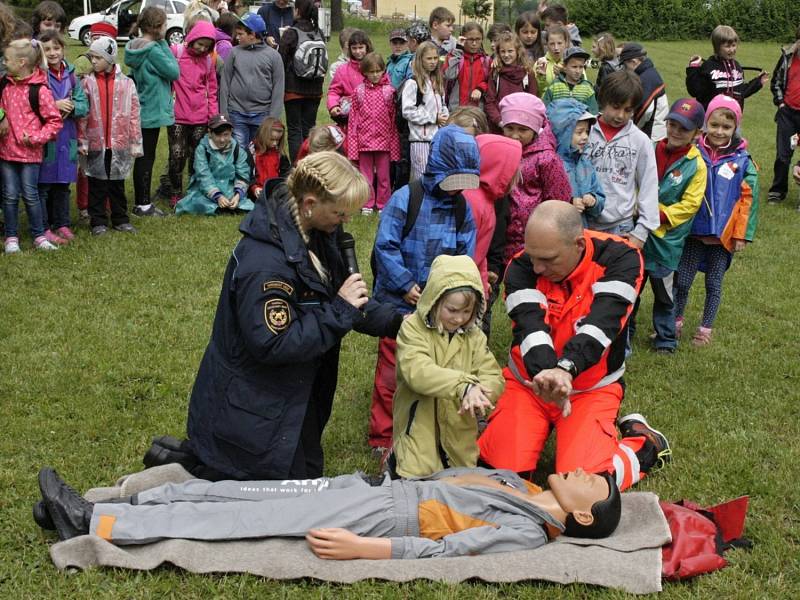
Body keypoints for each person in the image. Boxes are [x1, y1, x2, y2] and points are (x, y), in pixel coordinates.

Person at [180, 152, 403, 480]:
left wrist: (399, 322)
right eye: (340, 213)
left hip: (291, 405)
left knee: (306, 484)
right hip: (252, 421)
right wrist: (340, 308)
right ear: (310, 203)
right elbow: (274, 343)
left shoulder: (315, 236)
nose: (345, 222)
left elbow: (346, 302)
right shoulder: (264, 265)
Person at [477, 201, 672, 491]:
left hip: (590, 390)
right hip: (530, 385)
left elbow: (602, 324)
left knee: (585, 490)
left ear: (579, 244)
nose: (537, 267)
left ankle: (645, 445)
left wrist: (567, 369)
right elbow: (530, 328)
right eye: (533, 256)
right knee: (499, 485)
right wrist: (548, 376)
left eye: (548, 259)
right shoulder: (520, 265)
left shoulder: (622, 258)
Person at [37, 465, 622, 557]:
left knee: (245, 521)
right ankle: (119, 502)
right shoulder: (517, 484)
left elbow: (444, 550)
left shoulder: (527, 531)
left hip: (381, 518)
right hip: (372, 487)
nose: (580, 470)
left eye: (591, 483)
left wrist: (370, 548)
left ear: (583, 517)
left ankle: (96, 524)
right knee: (246, 494)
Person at [369, 126, 479, 456]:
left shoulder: (462, 209)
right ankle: (384, 436)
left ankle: (425, 428)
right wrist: (404, 285)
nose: (459, 188)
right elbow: (384, 246)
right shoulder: (406, 199)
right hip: (399, 303)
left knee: (434, 368)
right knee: (393, 372)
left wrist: (454, 292)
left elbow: (465, 254)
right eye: (454, 178)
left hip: (440, 308)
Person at [392, 255, 504, 478]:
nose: (459, 319)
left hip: (459, 432)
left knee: (461, 487)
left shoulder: (475, 337)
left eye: (466, 312)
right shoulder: (413, 329)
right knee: (417, 485)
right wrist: (463, 387)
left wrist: (481, 393)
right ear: (434, 300)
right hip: (419, 430)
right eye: (452, 310)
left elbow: (492, 374)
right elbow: (418, 371)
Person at [674, 95, 759, 347]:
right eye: (714, 125)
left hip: (723, 235)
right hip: (693, 231)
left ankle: (705, 328)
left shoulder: (742, 161)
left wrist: (742, 233)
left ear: (735, 129)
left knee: (714, 282)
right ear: (705, 125)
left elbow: (748, 199)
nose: (719, 132)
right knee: (683, 279)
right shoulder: (693, 152)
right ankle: (675, 320)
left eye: (726, 127)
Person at [632, 98, 707, 354]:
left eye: (683, 129)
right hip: (638, 233)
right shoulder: (650, 148)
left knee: (664, 294)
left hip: (667, 241)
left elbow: (690, 204)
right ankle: (624, 332)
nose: (675, 132)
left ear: (697, 134)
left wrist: (657, 214)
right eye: (672, 124)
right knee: (631, 286)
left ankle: (665, 339)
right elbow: (634, 179)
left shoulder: (696, 165)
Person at [1, 38, 63, 254]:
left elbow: (55, 121)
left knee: (30, 194)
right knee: (9, 195)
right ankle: (11, 237)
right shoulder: (5, 85)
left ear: (21, 62)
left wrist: (36, 137)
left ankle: (38, 235)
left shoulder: (40, 90)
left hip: (30, 155)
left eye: (6, 59)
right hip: (6, 153)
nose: (3, 62)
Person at [585, 70, 659, 250]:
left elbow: (649, 187)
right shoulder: (585, 132)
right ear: (603, 101)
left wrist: (641, 232)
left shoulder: (640, 141)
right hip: (583, 223)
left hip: (621, 228)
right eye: (616, 107)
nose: (620, 116)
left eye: (628, 110)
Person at [78, 36, 142, 236]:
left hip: (119, 142)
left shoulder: (127, 83)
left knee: (117, 183)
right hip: (96, 142)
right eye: (92, 57)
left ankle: (120, 218)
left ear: (110, 58)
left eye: (98, 57)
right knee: (96, 183)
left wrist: (135, 142)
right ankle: (97, 221)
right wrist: (82, 140)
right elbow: (82, 116)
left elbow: (134, 113)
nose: (94, 61)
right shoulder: (87, 82)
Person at [498, 92, 571, 262]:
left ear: (535, 129)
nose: (515, 135)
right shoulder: (501, 151)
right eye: (509, 128)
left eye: (523, 130)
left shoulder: (546, 159)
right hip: (505, 234)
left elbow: (558, 201)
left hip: (534, 236)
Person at [125, 7, 180, 217]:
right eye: (164, 24)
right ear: (157, 27)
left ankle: (142, 200)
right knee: (146, 158)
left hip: (142, 106)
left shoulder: (135, 46)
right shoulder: (154, 49)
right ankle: (143, 204)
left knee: (143, 156)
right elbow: (174, 72)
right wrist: (164, 41)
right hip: (152, 110)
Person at [157, 20, 218, 209]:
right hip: (177, 116)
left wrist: (213, 116)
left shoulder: (208, 61)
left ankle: (193, 190)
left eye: (207, 46)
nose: (202, 49)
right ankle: (175, 191)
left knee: (196, 156)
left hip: (200, 117)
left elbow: (212, 89)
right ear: (191, 38)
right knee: (177, 154)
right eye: (199, 44)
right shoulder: (176, 52)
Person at [37, 30, 89, 246]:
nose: (52, 53)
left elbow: (84, 105)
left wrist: (74, 106)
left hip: (67, 137)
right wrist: (54, 106)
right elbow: (32, 104)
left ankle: (63, 223)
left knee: (63, 184)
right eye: (47, 49)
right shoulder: (39, 75)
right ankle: (43, 226)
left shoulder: (72, 76)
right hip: (48, 139)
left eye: (56, 48)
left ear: (63, 49)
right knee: (44, 185)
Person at [463, 134, 522, 299]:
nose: (517, 175)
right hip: (459, 284)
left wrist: (481, 284)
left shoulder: (488, 201)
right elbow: (465, 253)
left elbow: (480, 255)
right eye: (512, 169)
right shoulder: (473, 201)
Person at [72, 21, 117, 222]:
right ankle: (84, 206)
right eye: (96, 38)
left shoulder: (114, 69)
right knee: (86, 170)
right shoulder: (84, 62)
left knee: (105, 169)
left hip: (107, 129)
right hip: (88, 126)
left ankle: (105, 204)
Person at [219, 13, 284, 149]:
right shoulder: (234, 53)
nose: (237, 37)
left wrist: (273, 118)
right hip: (236, 113)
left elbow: (278, 88)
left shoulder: (274, 56)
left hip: (262, 115)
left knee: (260, 151)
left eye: (240, 34)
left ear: (252, 35)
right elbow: (225, 82)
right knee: (239, 152)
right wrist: (224, 112)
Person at [346, 52, 400, 215]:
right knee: (365, 176)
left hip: (384, 142)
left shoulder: (389, 92)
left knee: (384, 176)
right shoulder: (358, 92)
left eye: (378, 71)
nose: (375, 75)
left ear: (384, 70)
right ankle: (367, 203)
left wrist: (394, 144)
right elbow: (353, 119)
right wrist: (354, 143)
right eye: (371, 71)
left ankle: (383, 203)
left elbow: (393, 121)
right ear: (365, 72)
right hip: (364, 141)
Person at [175, 114, 253, 215]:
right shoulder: (202, 149)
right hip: (205, 189)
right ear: (210, 132)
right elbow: (203, 175)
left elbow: (243, 174)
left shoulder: (237, 149)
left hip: (229, 187)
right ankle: (218, 207)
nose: (222, 139)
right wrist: (218, 196)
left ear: (231, 133)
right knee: (196, 202)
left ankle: (228, 205)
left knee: (246, 205)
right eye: (218, 135)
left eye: (226, 135)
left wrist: (237, 195)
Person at [277, 0, 326, 162]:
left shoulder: (291, 33)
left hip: (293, 90)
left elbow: (281, 61)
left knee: (294, 130)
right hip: (315, 90)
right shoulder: (318, 31)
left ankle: (297, 167)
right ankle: (310, 163)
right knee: (309, 130)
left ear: (297, 11)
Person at [546, 98, 605, 225]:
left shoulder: (585, 163)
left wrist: (594, 201)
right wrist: (570, 202)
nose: (585, 136)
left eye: (587, 131)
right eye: (579, 132)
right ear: (563, 133)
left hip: (580, 232)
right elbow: (544, 203)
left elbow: (599, 199)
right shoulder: (551, 164)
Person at [686, 25, 768, 111]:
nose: (732, 50)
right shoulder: (708, 67)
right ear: (717, 47)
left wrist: (758, 82)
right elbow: (695, 91)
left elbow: (741, 92)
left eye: (734, 45)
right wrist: (693, 68)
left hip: (732, 120)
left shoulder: (737, 67)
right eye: (728, 46)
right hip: (711, 119)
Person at [401, 41, 448, 181]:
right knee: (421, 179)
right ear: (420, 59)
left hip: (437, 139)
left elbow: (443, 105)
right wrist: (433, 118)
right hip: (420, 140)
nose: (433, 62)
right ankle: (419, 202)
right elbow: (407, 111)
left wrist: (445, 116)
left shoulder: (437, 82)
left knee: (437, 177)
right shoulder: (413, 83)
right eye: (429, 58)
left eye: (435, 58)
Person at [767, 25, 800, 204]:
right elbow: (776, 82)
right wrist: (780, 103)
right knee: (783, 155)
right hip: (787, 113)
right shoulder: (788, 57)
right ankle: (777, 191)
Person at [484, 32, 537, 131]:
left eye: (510, 51)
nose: (506, 55)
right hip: (499, 126)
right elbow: (490, 101)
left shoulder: (528, 73)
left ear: (518, 51)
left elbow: (532, 101)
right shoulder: (495, 73)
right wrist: (499, 121)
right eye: (503, 51)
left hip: (521, 126)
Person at [619, 43, 668, 141]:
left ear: (634, 62)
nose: (624, 69)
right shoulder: (649, 72)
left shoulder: (645, 79)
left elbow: (645, 111)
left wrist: (631, 128)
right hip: (657, 132)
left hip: (652, 135)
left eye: (625, 65)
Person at [326, 29, 372, 129]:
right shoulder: (342, 70)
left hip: (372, 118)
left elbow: (385, 85)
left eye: (361, 47)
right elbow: (333, 91)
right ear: (349, 49)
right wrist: (333, 105)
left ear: (367, 47)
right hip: (349, 120)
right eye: (354, 48)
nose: (358, 51)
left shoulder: (375, 66)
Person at [442, 22, 490, 112]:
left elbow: (490, 82)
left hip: (477, 112)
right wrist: (458, 49)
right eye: (470, 39)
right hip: (456, 110)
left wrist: (480, 88)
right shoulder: (454, 56)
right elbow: (449, 75)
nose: (474, 43)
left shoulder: (486, 60)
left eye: (478, 39)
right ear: (463, 38)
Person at [542, 46, 598, 113]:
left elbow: (593, 112)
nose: (578, 71)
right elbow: (545, 109)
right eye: (574, 67)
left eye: (581, 67)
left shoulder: (588, 88)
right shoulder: (554, 86)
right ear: (565, 67)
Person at [248, 117, 290, 201]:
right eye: (271, 139)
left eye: (277, 140)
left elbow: (286, 173)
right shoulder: (251, 151)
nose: (275, 143)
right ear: (263, 135)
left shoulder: (280, 153)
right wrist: (254, 187)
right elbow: (246, 173)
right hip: (256, 191)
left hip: (275, 191)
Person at [535, 25, 569, 96]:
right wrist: (541, 77)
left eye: (559, 43)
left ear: (566, 43)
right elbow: (537, 92)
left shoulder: (573, 63)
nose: (556, 48)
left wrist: (567, 74)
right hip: (546, 105)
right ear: (547, 44)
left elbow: (582, 87)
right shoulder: (540, 64)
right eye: (552, 44)